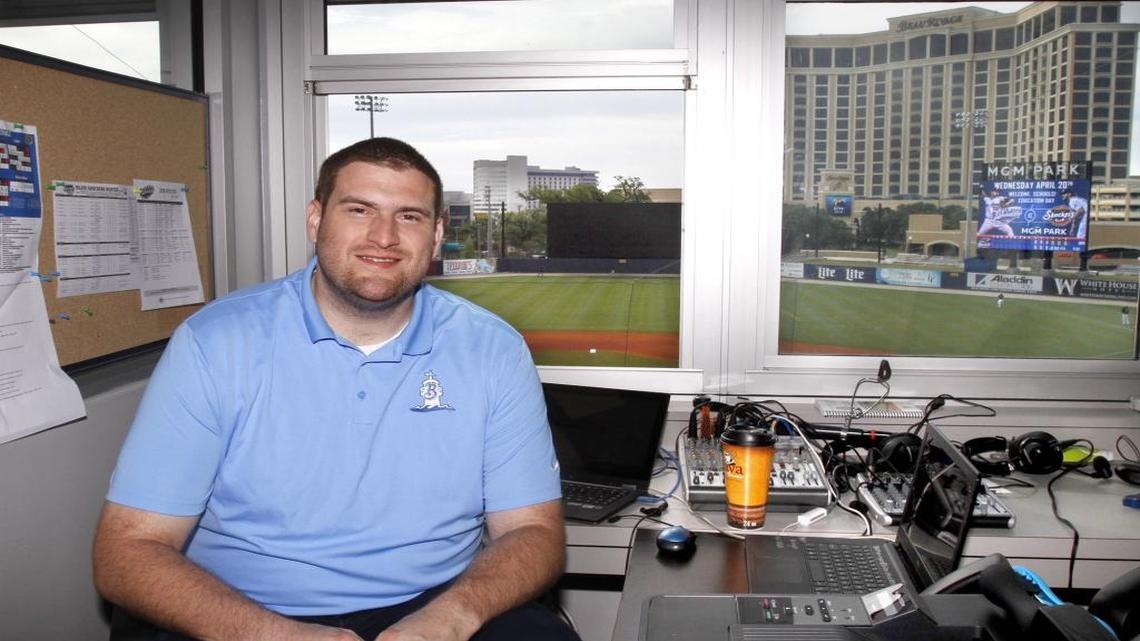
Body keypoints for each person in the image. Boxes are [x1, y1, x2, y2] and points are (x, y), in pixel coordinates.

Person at [92, 137, 578, 641]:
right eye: (360, 209)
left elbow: (533, 532)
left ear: (435, 237)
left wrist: (450, 620)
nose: (384, 236)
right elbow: (126, 551)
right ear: (315, 219)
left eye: (409, 216)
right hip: (241, 609)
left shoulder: (494, 349)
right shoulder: (216, 342)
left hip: (434, 602)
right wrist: (277, 636)